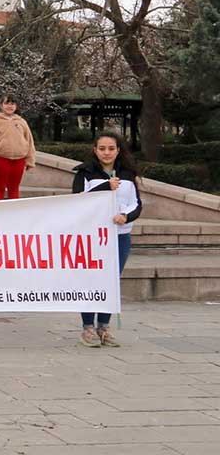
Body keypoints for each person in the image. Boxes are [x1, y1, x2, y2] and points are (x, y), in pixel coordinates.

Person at [71, 132, 139, 348]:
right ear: (95, 150)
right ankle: (88, 327)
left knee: (111, 280)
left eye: (111, 148)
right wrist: (104, 186)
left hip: (119, 236)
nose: (107, 152)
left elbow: (136, 204)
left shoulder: (128, 174)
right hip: (93, 236)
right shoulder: (85, 173)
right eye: (102, 148)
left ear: (118, 150)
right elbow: (77, 201)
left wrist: (126, 216)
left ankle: (104, 326)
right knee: (91, 279)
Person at [0, 95, 37, 200]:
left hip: (19, 160)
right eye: (7, 103)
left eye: (12, 104)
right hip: (1, 159)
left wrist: (30, 159)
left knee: (14, 188)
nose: (9, 106)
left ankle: (13, 213)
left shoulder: (21, 122)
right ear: (1, 105)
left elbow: (29, 142)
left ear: (16, 106)